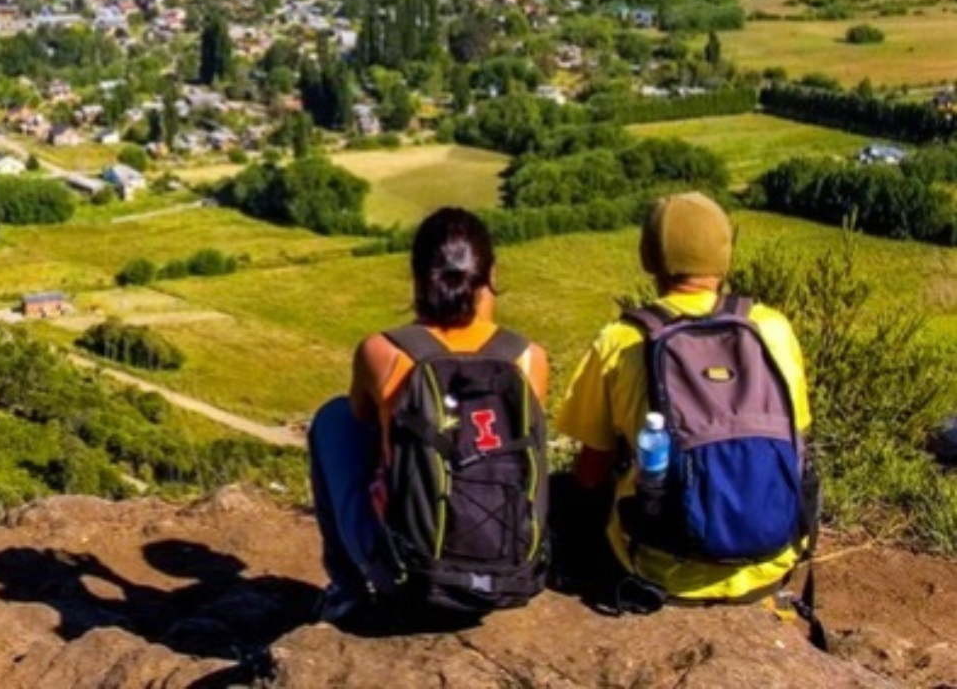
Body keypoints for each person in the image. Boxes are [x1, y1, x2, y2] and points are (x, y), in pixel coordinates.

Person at [553, 192, 814, 606]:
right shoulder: (772, 328)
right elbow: (798, 440)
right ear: (724, 255)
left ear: (649, 258)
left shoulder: (622, 341)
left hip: (661, 567)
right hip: (771, 560)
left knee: (565, 491)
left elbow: (591, 470)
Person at [308, 207, 550, 624]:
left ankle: (347, 590)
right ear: (491, 274)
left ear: (418, 275)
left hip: (409, 578)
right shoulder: (529, 359)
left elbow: (360, 416)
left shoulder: (380, 351)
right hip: (509, 574)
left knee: (334, 420)